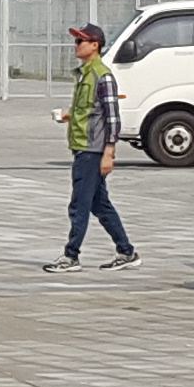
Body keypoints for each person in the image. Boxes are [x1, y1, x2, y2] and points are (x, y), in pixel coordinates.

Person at [52, 21, 137, 267]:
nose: (76, 45)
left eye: (81, 41)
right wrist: (69, 116)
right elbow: (91, 110)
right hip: (82, 147)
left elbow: (113, 117)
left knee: (79, 204)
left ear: (95, 45)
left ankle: (71, 255)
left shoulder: (102, 76)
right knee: (100, 205)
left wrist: (109, 152)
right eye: (76, 41)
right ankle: (127, 252)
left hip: (92, 150)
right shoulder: (84, 75)